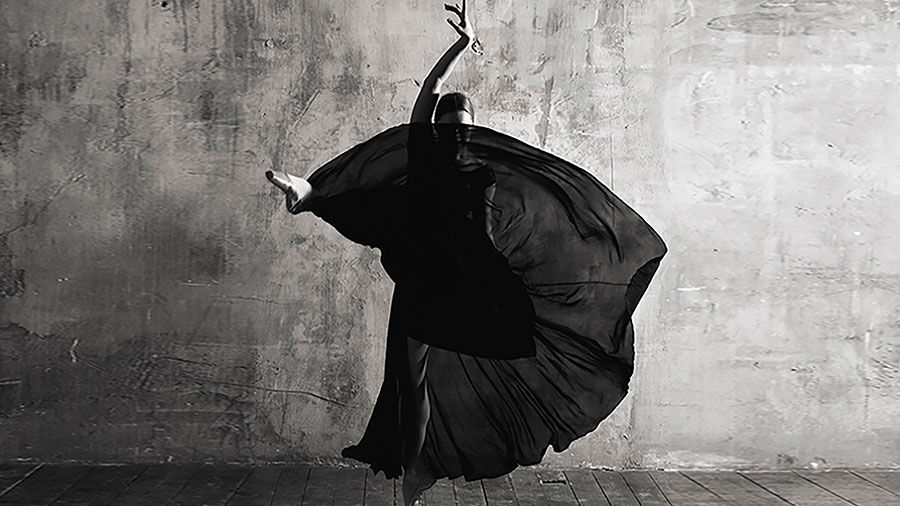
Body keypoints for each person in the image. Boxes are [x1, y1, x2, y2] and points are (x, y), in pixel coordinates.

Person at [266, 1, 667, 505]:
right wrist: (458, 47)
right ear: (436, 127)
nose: (456, 133)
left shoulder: (485, 170)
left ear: (473, 129)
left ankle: (462, 451)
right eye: (448, 125)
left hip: (475, 284)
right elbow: (428, 93)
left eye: (463, 126)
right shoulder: (424, 157)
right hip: (422, 283)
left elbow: (517, 226)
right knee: (411, 387)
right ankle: (416, 471)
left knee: (506, 365)